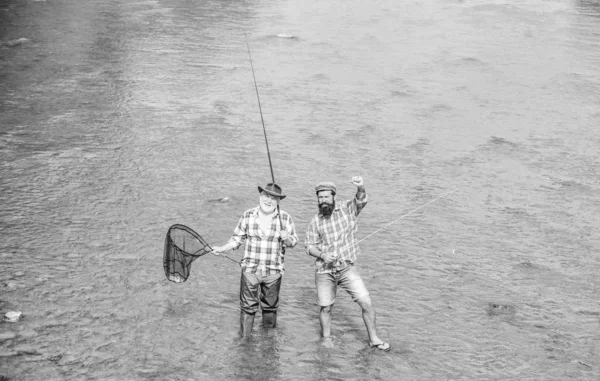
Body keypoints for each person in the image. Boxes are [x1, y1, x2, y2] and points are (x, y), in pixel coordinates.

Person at [305, 176, 390, 351]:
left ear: (333, 196)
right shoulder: (315, 220)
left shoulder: (347, 209)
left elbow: (361, 199)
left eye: (326, 197)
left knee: (366, 302)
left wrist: (360, 186)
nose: (323, 201)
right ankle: (326, 339)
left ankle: (374, 339)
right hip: (324, 271)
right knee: (326, 308)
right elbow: (309, 246)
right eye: (320, 198)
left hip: (347, 268)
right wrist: (322, 254)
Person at [212, 183, 298, 338]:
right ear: (260, 196)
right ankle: (245, 342)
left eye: (273, 198)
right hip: (250, 270)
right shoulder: (248, 215)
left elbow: (293, 242)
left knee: (270, 308)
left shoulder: (285, 218)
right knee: (247, 308)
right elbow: (236, 239)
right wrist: (222, 248)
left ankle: (268, 341)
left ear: (278, 201)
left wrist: (287, 239)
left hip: (273, 272)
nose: (269, 200)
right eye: (266, 196)